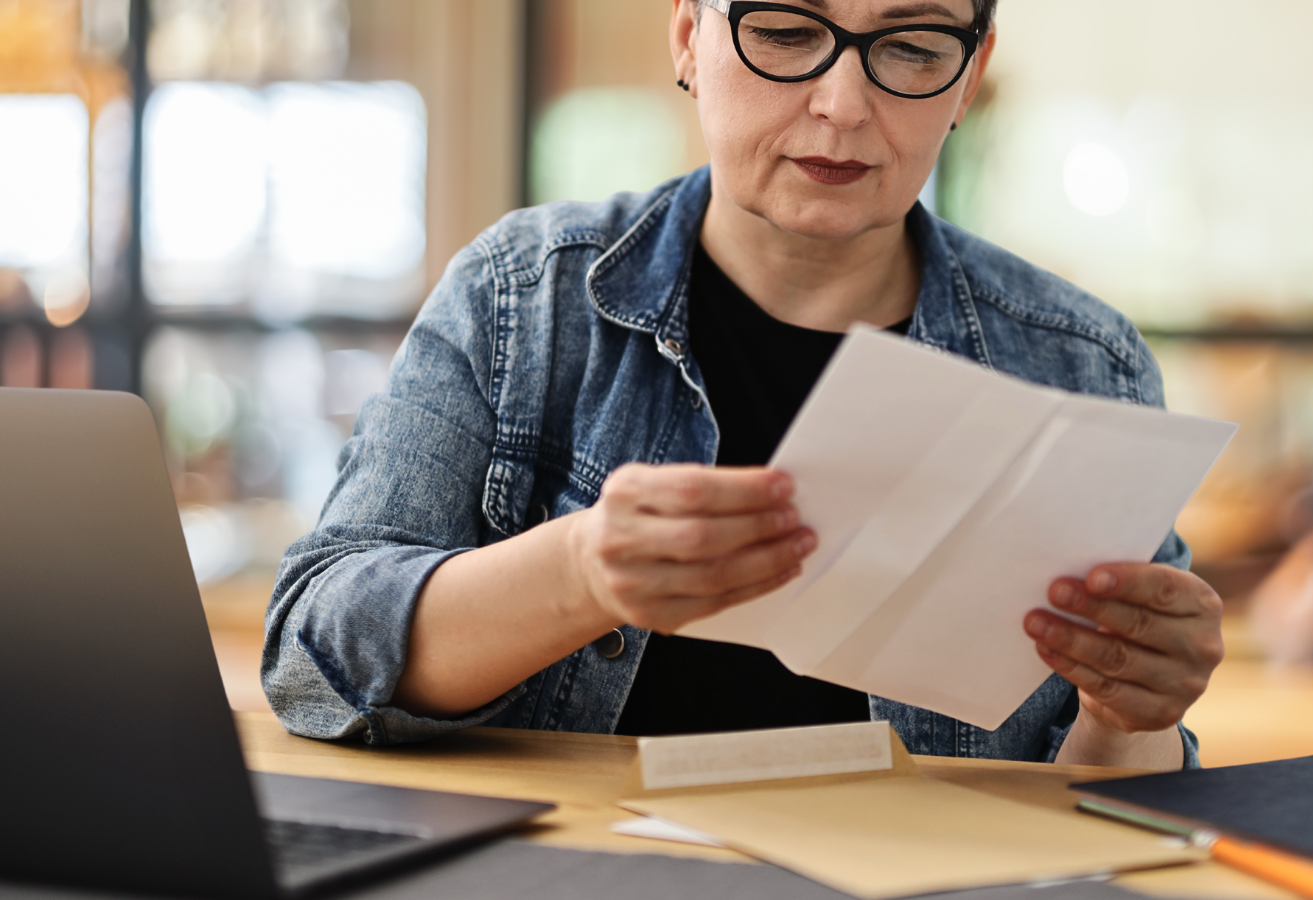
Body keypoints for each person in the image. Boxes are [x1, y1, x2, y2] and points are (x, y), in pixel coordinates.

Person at [264, 0, 1223, 771]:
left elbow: (1101, 792)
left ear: (969, 72)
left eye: (915, 45)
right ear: (689, 35)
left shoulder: (1083, 363)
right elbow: (313, 656)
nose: (843, 105)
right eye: (783, 31)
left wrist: (1130, 716)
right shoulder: (524, 296)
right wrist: (580, 571)